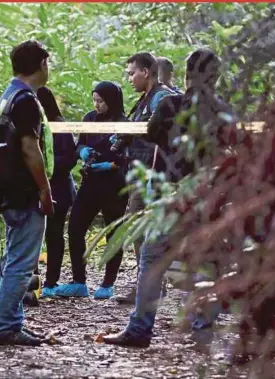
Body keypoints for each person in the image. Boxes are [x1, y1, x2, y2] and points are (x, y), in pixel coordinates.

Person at [103, 48, 235, 347]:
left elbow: (151, 135)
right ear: (215, 77)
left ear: (187, 76)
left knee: (151, 260)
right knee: (205, 261)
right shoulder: (223, 110)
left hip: (170, 192)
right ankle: (202, 329)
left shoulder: (170, 105)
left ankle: (140, 329)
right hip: (207, 194)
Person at [0, 40, 54, 346]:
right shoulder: (26, 99)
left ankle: (12, 322)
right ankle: (7, 327)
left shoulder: (8, 95)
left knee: (12, 259)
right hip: (23, 190)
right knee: (19, 262)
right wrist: (44, 189)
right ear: (41, 64)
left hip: (7, 188)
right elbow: (30, 148)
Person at [49, 82, 128, 299]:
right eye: (95, 100)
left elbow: (129, 154)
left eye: (101, 101)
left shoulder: (123, 122)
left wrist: (112, 165)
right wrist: (83, 151)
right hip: (91, 182)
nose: (97, 105)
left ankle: (108, 283)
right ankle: (79, 280)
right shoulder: (89, 118)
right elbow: (79, 144)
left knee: (113, 232)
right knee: (75, 227)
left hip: (114, 185)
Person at [115, 52, 175, 304]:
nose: (129, 78)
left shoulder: (161, 97)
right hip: (140, 171)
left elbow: (158, 133)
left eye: (132, 73)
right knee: (139, 229)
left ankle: (150, 285)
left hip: (151, 173)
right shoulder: (145, 100)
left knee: (143, 229)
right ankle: (150, 284)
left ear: (146, 72)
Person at [36, 87, 78, 296]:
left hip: (58, 189)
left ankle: (51, 281)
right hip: (34, 188)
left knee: (54, 235)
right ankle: (32, 280)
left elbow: (70, 157)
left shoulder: (59, 126)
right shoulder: (30, 125)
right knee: (34, 236)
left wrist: (45, 169)